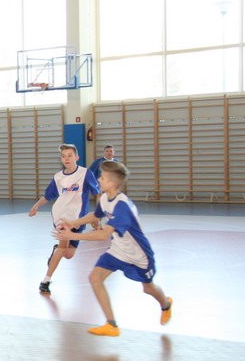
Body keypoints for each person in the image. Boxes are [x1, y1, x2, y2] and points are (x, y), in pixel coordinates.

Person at [53, 160, 173, 337]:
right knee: (95, 278)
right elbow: (95, 215)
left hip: (139, 255)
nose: (99, 180)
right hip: (118, 250)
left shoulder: (122, 206)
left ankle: (166, 304)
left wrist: (72, 236)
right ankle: (111, 325)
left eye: (102, 177)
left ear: (112, 183)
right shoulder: (104, 198)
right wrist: (72, 223)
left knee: (148, 288)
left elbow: (103, 234)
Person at [28, 144, 100, 294]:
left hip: (78, 219)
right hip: (62, 216)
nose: (66, 158)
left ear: (76, 157)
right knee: (62, 249)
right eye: (63, 156)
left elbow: (97, 192)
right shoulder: (58, 177)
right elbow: (48, 195)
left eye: (69, 155)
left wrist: (97, 215)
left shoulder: (85, 173)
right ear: (61, 159)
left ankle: (56, 251)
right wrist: (36, 206)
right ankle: (45, 281)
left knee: (68, 254)